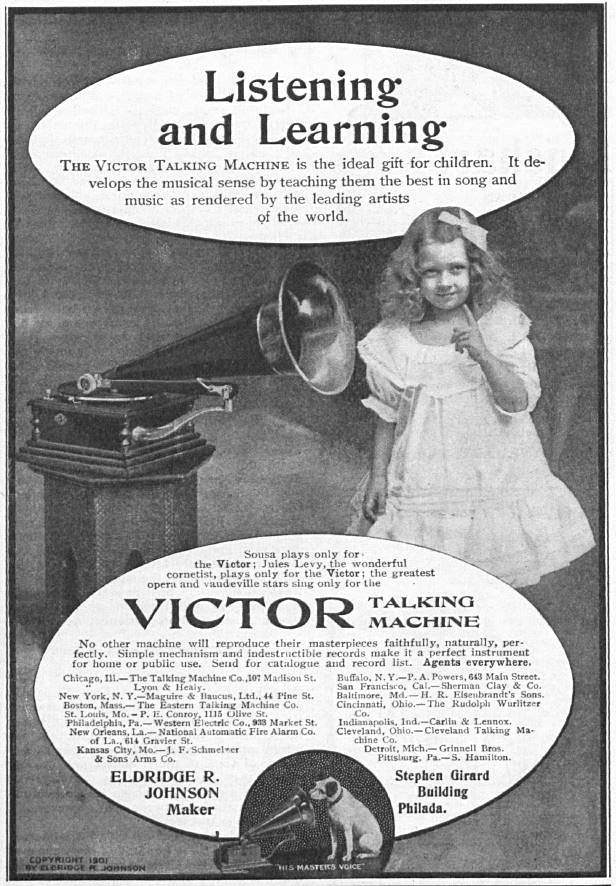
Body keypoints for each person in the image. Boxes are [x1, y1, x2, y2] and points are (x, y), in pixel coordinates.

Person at [347, 206, 594, 588]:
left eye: (456, 269)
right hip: (422, 479)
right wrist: (378, 475)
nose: (445, 282)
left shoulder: (500, 324)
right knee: (428, 582)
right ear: (412, 277)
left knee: (489, 582)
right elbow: (386, 414)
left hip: (493, 475)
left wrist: (483, 354)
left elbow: (518, 401)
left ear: (475, 269)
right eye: (431, 272)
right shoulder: (393, 339)